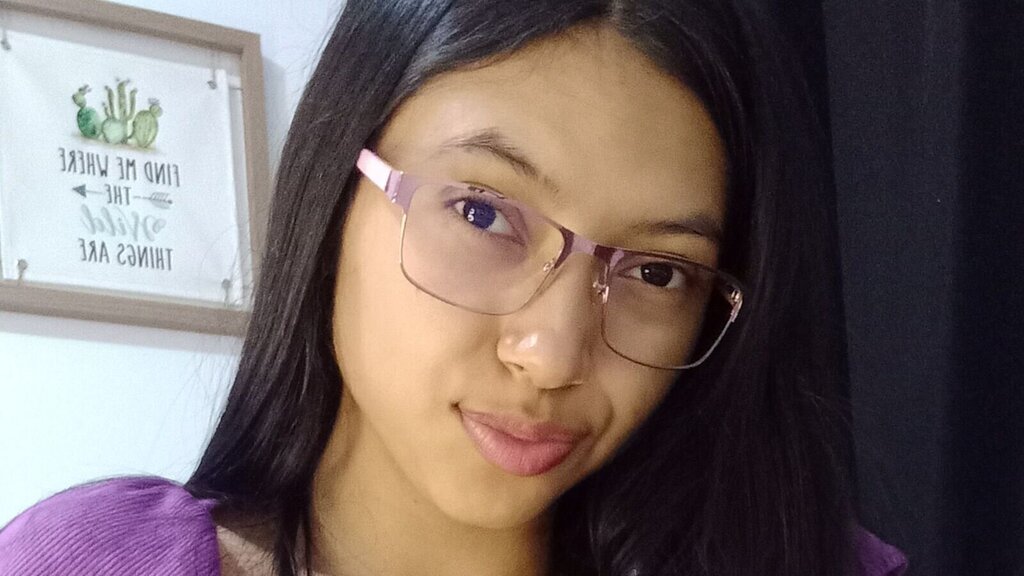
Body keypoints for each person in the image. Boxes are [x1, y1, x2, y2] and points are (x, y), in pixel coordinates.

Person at [0, 0, 909, 575]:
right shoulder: (98, 560)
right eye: (482, 214)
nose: (552, 354)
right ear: (335, 194)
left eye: (657, 271)